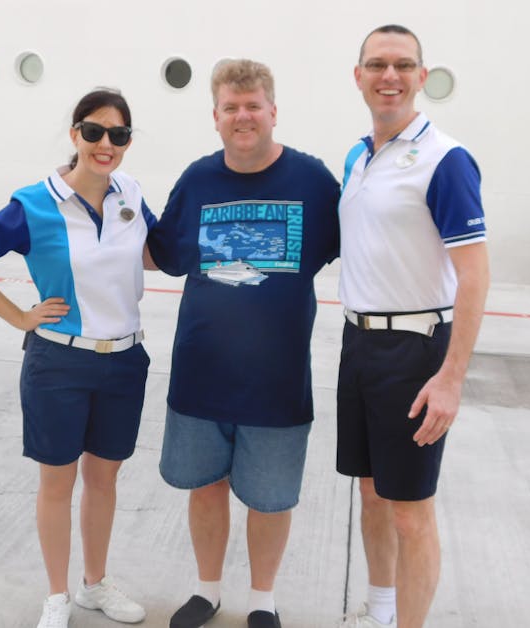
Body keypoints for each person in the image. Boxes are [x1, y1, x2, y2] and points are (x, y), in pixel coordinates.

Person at [0, 88, 156, 628]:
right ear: (75, 135)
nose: (105, 144)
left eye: (118, 135)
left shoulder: (130, 192)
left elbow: (154, 253)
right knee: (58, 483)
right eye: (93, 131)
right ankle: (57, 596)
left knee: (105, 480)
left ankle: (94, 584)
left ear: (128, 143)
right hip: (59, 364)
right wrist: (21, 317)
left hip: (125, 361)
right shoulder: (33, 203)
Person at [146, 59, 340, 628]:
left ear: (273, 111)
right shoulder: (198, 180)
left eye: (253, 105)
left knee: (269, 499)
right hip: (201, 373)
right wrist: (87, 219)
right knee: (205, 488)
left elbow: (362, 241)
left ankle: (263, 598)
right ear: (215, 117)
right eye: (231, 107)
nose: (243, 116)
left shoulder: (312, 181)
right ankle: (208, 591)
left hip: (277, 380)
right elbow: (161, 252)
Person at [336, 25, 490, 628]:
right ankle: (379, 611)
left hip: (416, 350)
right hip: (359, 341)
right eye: (377, 64)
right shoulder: (358, 155)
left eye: (403, 65)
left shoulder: (446, 160)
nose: (389, 76)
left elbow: (475, 277)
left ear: (423, 77)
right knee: (372, 493)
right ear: (359, 76)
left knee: (410, 510)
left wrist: (451, 378)